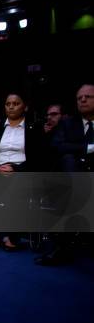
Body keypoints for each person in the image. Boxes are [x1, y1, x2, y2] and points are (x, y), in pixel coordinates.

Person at [36, 84, 94, 265]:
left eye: (88, 97)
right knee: (68, 160)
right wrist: (89, 148)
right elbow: (58, 146)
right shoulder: (68, 124)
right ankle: (61, 247)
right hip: (73, 177)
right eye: (79, 98)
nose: (83, 100)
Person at [0, 93, 45, 251]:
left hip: (22, 170)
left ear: (25, 106)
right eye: (8, 103)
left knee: (18, 184)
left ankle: (12, 235)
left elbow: (41, 158)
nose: (11, 106)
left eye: (16, 103)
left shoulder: (34, 128)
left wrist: (16, 168)